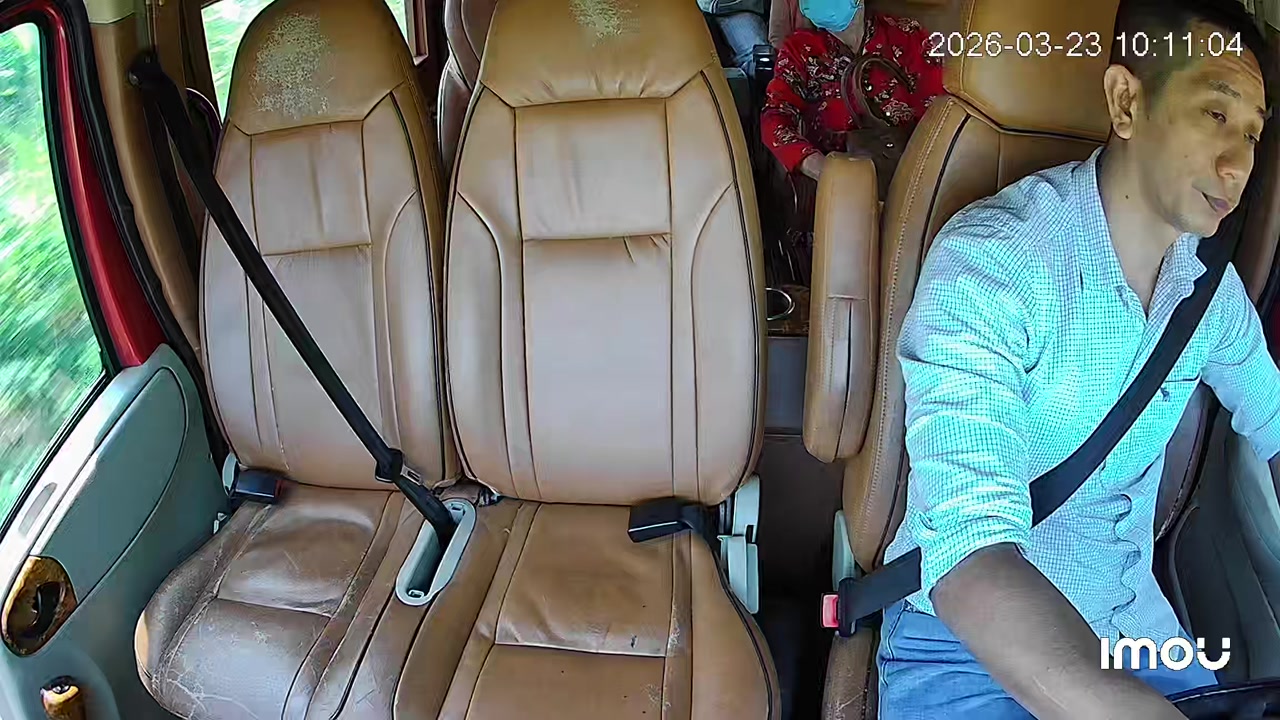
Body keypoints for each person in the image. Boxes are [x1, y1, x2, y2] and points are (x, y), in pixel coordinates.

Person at [876, 1, 1277, 718]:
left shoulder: (1208, 291)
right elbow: (969, 555)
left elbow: (1274, 420)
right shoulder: (993, 263)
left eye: (1252, 132)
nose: (1238, 163)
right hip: (964, 645)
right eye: (1215, 115)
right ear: (1126, 102)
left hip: (1134, 636)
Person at [760, 0, 944, 180]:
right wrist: (821, 169)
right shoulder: (799, 50)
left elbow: (939, 115)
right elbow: (775, 116)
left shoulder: (907, 35)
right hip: (836, 182)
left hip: (909, 177)